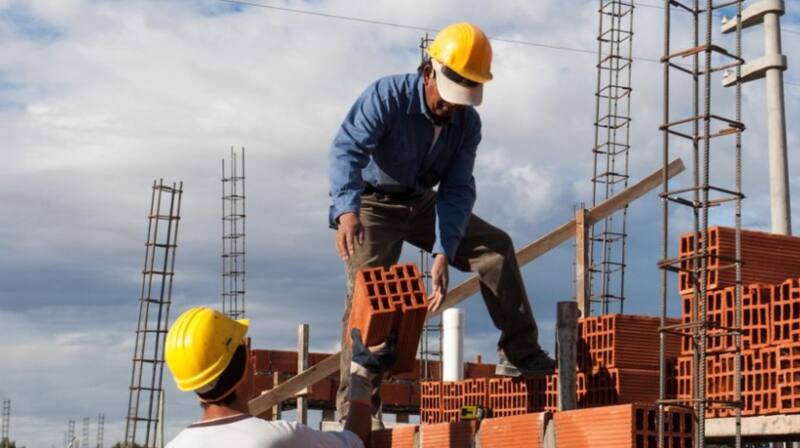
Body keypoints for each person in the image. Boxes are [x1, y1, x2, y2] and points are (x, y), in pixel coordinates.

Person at [328, 22, 555, 426]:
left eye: (464, 98)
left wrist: (442, 251)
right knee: (370, 296)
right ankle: (359, 407)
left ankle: (520, 354)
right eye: (450, 96)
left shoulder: (467, 124)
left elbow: (457, 190)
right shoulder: (387, 96)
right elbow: (347, 150)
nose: (453, 107)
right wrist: (347, 211)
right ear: (430, 71)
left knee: (495, 248)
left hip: (423, 202)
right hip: (373, 204)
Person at [164, 306, 397, 448]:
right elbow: (355, 442)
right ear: (245, 366)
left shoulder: (175, 445)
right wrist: (362, 376)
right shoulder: (278, 440)